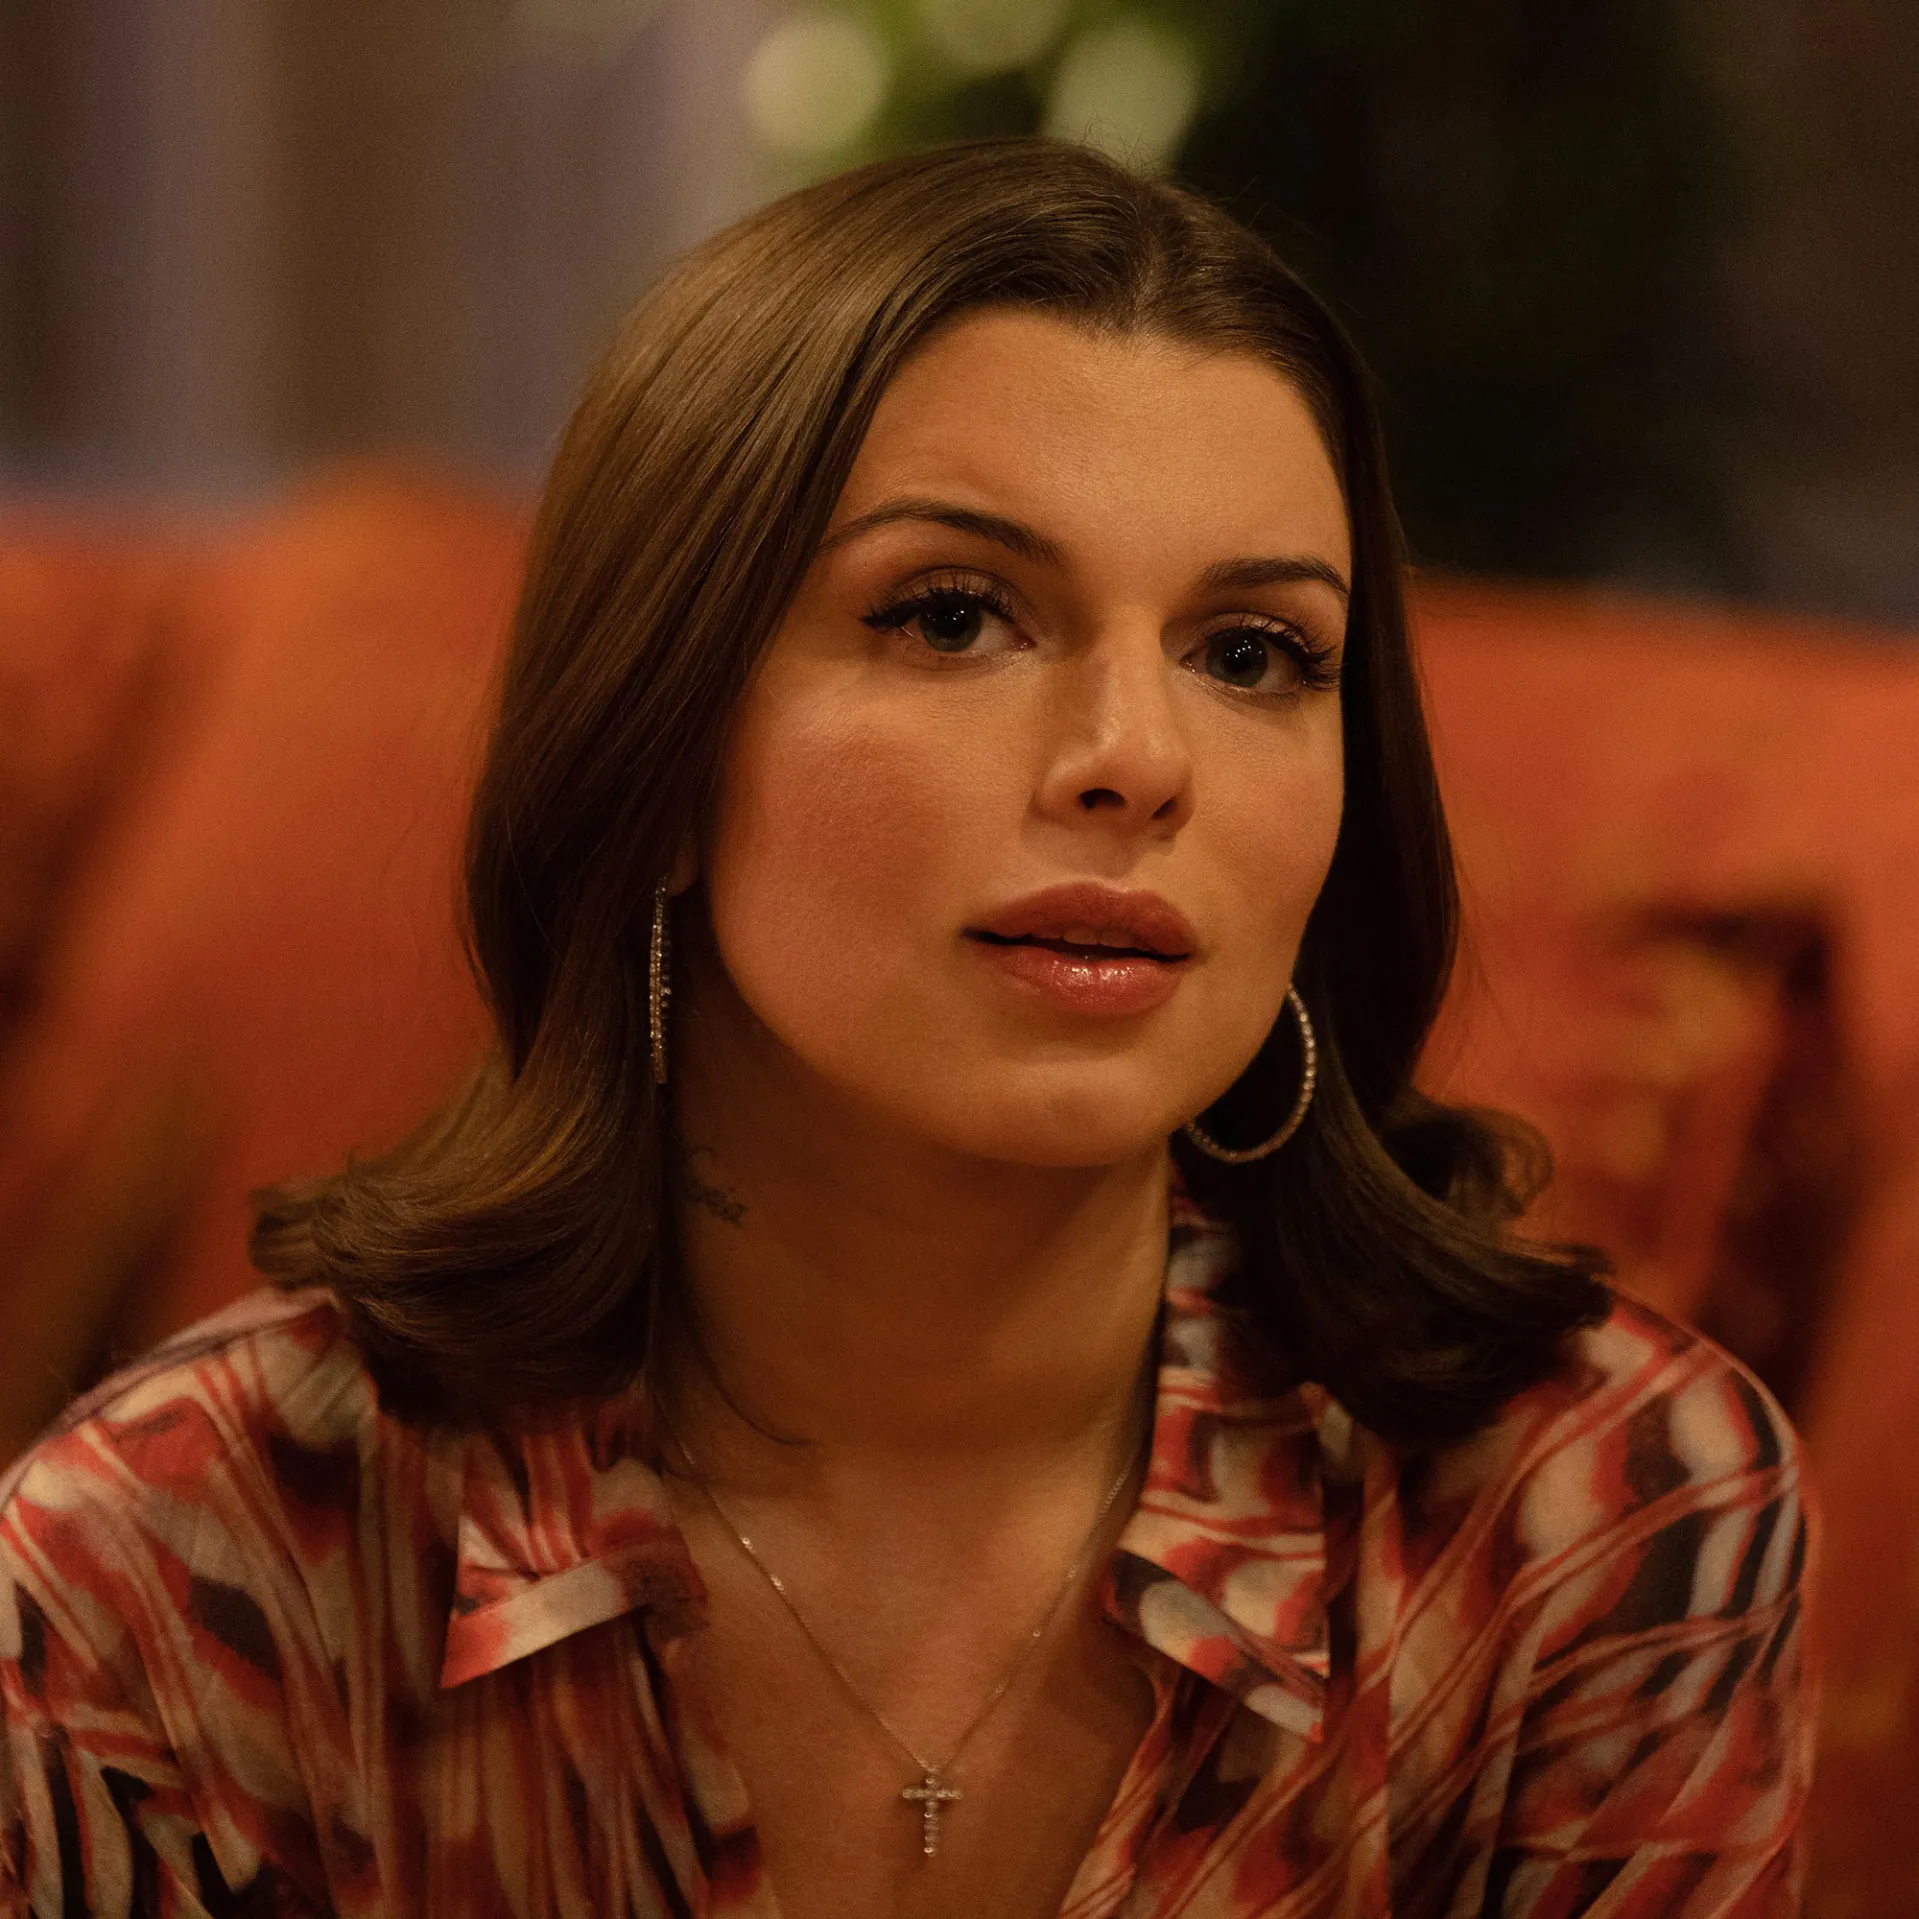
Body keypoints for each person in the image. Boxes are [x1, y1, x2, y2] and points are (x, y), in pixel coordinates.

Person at [0, 139, 1811, 1918]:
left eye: (1251, 652)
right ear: (660, 751)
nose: (1136, 757)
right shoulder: (172, 1566)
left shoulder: (1595, 1519)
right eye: (953, 617)